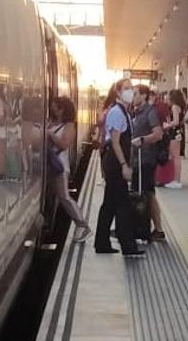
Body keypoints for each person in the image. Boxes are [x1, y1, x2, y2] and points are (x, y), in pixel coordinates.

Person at [94, 79, 144, 258]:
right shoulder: (117, 112)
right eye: (126, 89)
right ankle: (127, 246)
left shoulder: (124, 111)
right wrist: (124, 165)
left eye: (131, 89)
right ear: (117, 92)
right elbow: (115, 141)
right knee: (122, 205)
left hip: (115, 161)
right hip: (115, 163)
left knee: (110, 204)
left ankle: (102, 243)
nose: (130, 92)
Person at [48, 96, 91, 243]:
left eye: (55, 107)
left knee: (64, 196)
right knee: (57, 196)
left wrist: (50, 134)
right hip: (49, 166)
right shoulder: (52, 122)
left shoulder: (69, 126)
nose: (53, 110)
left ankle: (82, 224)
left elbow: (64, 144)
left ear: (62, 109)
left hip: (60, 167)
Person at [130, 85, 166, 241]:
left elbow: (158, 134)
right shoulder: (135, 111)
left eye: (135, 93)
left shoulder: (149, 112)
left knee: (145, 195)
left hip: (145, 159)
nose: (132, 96)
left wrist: (143, 140)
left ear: (144, 96)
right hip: (137, 159)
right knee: (148, 194)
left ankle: (146, 228)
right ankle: (156, 229)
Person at [159, 89, 187, 189]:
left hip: (174, 133)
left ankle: (176, 180)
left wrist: (166, 125)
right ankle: (176, 179)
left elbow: (175, 121)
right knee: (176, 156)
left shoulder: (174, 107)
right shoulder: (180, 107)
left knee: (175, 157)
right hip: (178, 133)